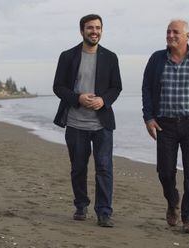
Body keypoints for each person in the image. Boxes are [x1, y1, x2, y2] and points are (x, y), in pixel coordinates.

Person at [142, 19, 189, 234]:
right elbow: (147, 89)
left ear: (187, 36)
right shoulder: (157, 59)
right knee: (165, 172)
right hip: (164, 124)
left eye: (176, 32)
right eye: (168, 32)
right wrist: (148, 118)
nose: (171, 35)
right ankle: (172, 200)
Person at [53, 14, 122, 227]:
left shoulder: (111, 57)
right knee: (78, 168)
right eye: (90, 28)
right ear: (82, 30)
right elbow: (58, 87)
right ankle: (81, 205)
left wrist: (104, 100)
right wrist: (78, 98)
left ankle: (104, 212)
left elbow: (116, 87)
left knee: (104, 168)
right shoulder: (68, 56)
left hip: (102, 124)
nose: (95, 31)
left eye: (98, 28)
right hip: (75, 123)